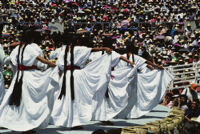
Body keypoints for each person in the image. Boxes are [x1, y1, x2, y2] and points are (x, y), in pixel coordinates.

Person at [50, 30, 112, 128]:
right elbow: (92, 49)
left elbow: (59, 65)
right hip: (76, 75)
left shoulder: (63, 51)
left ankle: (65, 120)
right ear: (77, 41)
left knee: (66, 98)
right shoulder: (79, 49)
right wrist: (104, 48)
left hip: (65, 75)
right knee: (76, 98)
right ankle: (75, 122)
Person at [0, 30, 56, 133]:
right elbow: (40, 59)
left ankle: (19, 124)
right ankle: (28, 126)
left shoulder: (17, 48)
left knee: (19, 101)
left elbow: (12, 62)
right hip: (30, 76)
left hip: (18, 76)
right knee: (29, 102)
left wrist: (16, 72)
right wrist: (52, 64)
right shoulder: (31, 48)